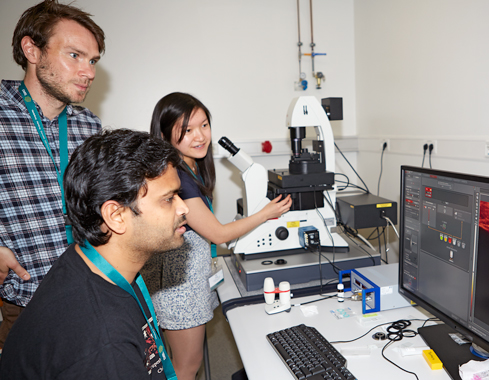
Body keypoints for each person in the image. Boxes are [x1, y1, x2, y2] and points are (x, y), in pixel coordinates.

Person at [0, 129, 188, 379]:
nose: (183, 207)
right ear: (116, 216)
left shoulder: (85, 260)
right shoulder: (105, 346)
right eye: (168, 199)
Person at [141, 92, 292, 380]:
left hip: (193, 278)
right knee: (187, 366)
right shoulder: (178, 176)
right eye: (186, 130)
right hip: (180, 288)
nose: (200, 136)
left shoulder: (191, 166)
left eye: (204, 125)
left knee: (188, 362)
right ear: (164, 134)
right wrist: (266, 213)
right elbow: (219, 234)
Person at [0, 0, 105, 349]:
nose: (88, 71)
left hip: (90, 292)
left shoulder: (89, 125)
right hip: (26, 298)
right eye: (74, 55)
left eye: (92, 61)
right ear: (32, 49)